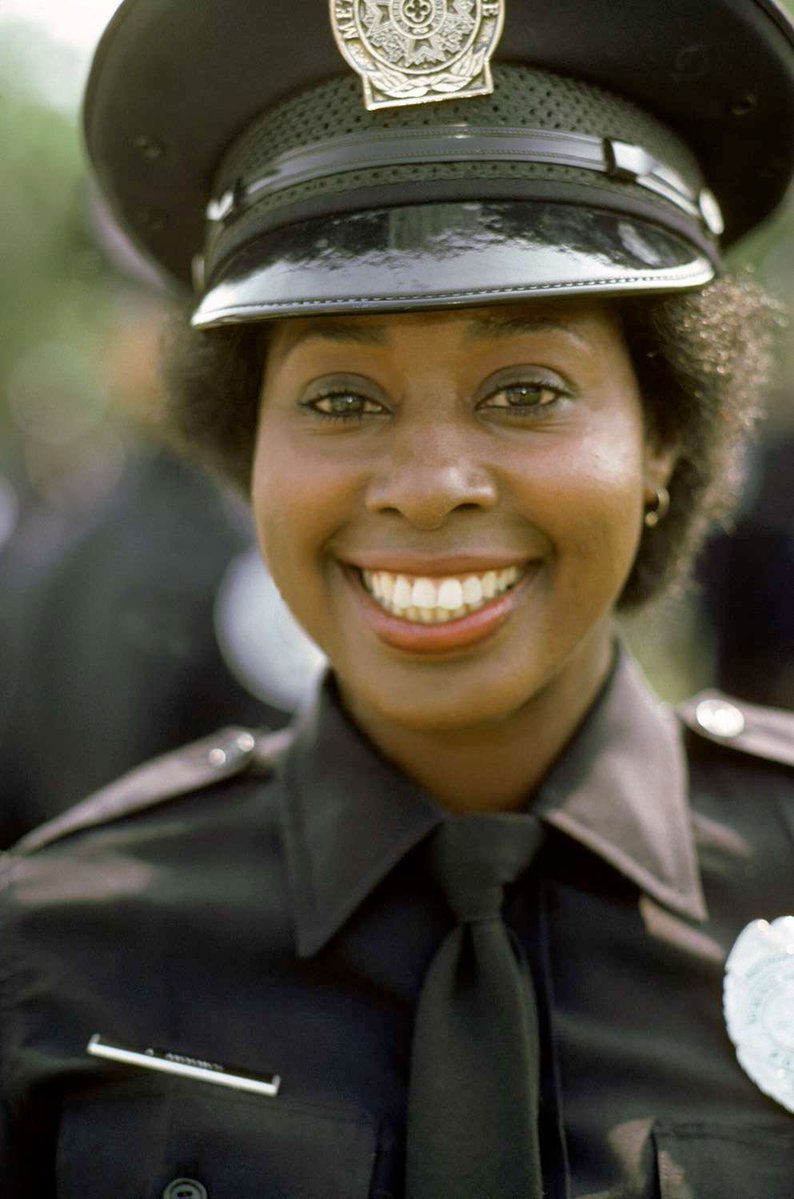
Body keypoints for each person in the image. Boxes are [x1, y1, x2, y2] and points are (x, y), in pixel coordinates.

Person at [1, 1, 794, 1195]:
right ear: (246, 451)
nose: (426, 487)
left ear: (661, 441)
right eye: (340, 399)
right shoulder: (50, 955)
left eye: (524, 391)